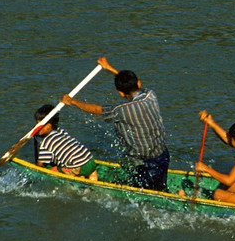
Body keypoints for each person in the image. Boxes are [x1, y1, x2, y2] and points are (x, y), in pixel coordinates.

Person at [60, 58, 168, 191]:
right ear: (138, 83)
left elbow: (96, 110)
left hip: (146, 162)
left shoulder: (121, 110)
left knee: (148, 192)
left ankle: (173, 194)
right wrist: (110, 68)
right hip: (163, 154)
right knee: (160, 185)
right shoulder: (150, 95)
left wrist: (73, 101)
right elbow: (130, 83)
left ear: (121, 93)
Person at [31, 104, 94, 178]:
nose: (35, 126)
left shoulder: (46, 142)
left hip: (80, 167)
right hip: (91, 161)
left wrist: (36, 172)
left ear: (48, 126)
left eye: (38, 124)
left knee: (54, 169)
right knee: (84, 168)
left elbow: (40, 165)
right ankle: (91, 177)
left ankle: (80, 177)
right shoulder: (60, 131)